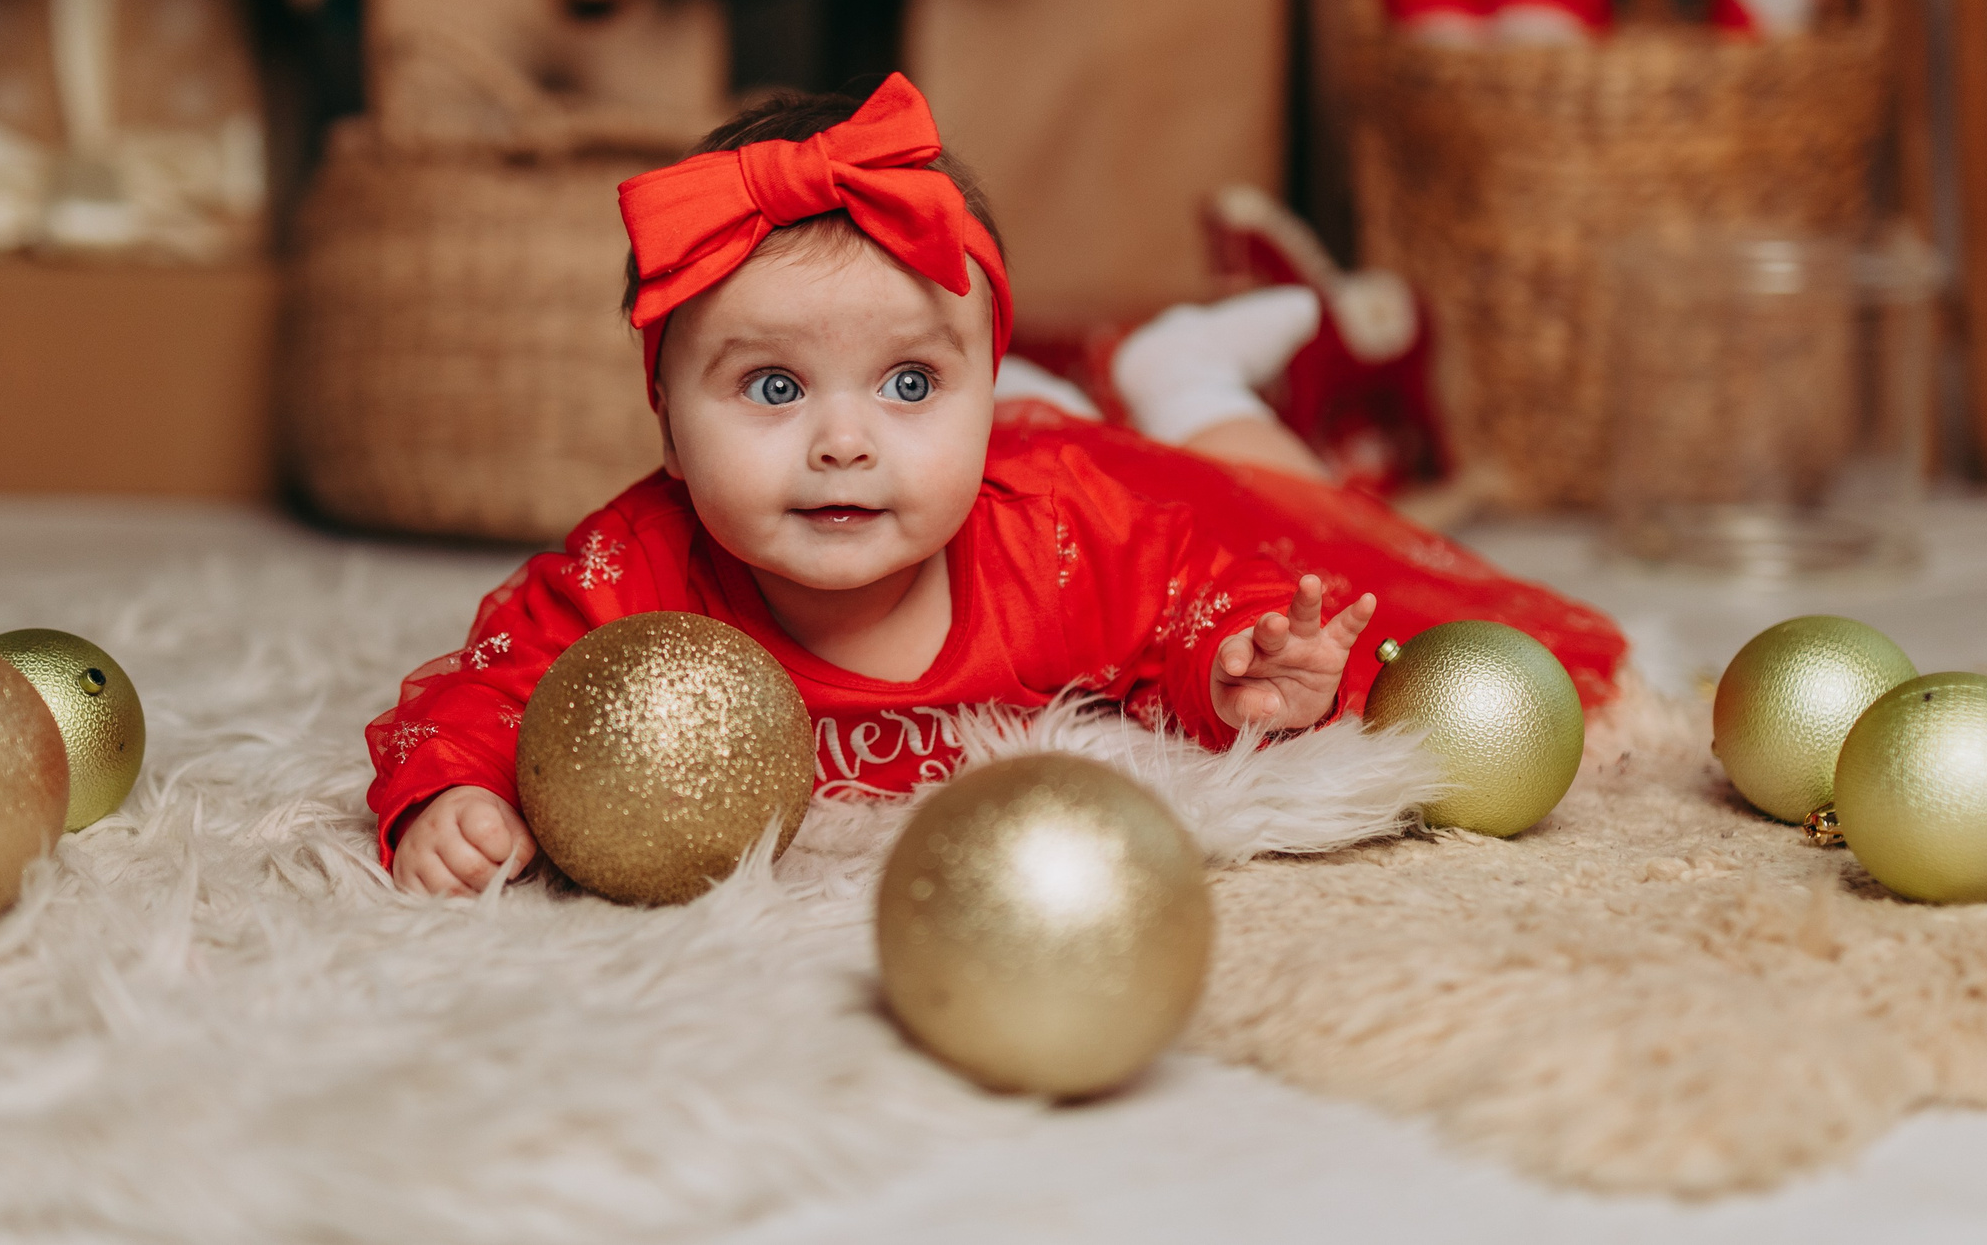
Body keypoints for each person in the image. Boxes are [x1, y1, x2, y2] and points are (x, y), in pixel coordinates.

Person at [367, 74, 1623, 896]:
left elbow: (1196, 588)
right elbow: (488, 683)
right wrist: (453, 793)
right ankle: (1141, 369)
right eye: (771, 389)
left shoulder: (1063, 535)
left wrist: (1241, 669)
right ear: (662, 411)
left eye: (910, 384)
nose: (843, 444)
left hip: (1061, 445)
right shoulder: (634, 572)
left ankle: (1182, 374)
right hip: (1008, 429)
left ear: (974, 384)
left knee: (1268, 498)